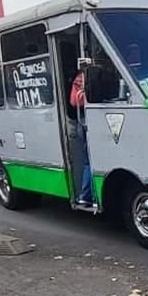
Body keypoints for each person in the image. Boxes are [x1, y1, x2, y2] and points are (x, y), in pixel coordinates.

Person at [69, 68, 92, 206]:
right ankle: (86, 195)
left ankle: (86, 195)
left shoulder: (78, 78)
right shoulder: (86, 77)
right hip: (86, 122)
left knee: (88, 161)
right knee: (90, 161)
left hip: (81, 121)